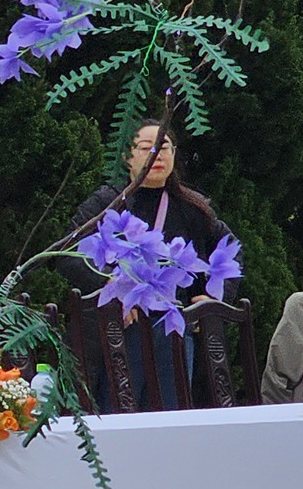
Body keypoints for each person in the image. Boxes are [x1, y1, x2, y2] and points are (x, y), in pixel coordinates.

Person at [66, 121, 232, 404]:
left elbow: (229, 253)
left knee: (170, 414)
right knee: (117, 413)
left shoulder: (193, 207)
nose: (157, 155)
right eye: (146, 148)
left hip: (172, 329)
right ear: (127, 156)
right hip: (119, 331)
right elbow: (70, 255)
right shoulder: (108, 203)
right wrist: (111, 285)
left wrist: (216, 299)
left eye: (164, 147)